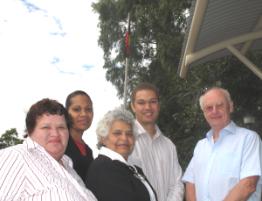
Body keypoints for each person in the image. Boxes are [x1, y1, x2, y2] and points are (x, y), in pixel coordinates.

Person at [0, 98, 97, 201]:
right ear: (30, 132)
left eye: (61, 127)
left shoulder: (69, 168)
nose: (55, 134)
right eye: (46, 127)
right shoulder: (16, 156)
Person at [183, 87, 262, 201]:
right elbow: (191, 183)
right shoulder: (201, 146)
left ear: (230, 107)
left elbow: (248, 184)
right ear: (204, 113)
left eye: (220, 106)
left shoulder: (248, 139)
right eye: (209, 108)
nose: (214, 111)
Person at [128, 82, 184, 201]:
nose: (148, 107)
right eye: (141, 102)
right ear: (133, 106)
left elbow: (177, 184)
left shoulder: (169, 145)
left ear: (158, 105)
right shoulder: (126, 142)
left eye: (153, 102)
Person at [86, 107, 157, 201]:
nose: (124, 138)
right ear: (103, 138)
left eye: (129, 134)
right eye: (117, 133)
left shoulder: (132, 169)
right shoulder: (103, 168)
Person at [65, 90, 94, 183]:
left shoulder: (88, 150)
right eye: (77, 109)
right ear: (66, 112)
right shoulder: (61, 144)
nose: (84, 114)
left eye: (88, 109)